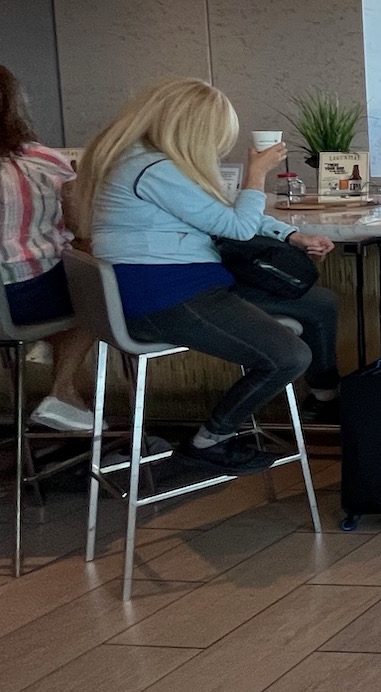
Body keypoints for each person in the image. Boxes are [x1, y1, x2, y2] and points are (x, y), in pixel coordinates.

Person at [73, 79, 339, 473]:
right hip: (166, 297)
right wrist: (256, 174)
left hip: (181, 286)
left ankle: (325, 397)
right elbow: (235, 226)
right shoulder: (151, 168)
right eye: (216, 135)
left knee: (318, 304)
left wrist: (291, 234)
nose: (218, 146)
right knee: (288, 356)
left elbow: (219, 210)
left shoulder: (146, 159)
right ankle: (208, 441)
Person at [0, 66, 95, 430]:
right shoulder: (43, 162)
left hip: (18, 302)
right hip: (22, 299)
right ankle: (63, 390)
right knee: (97, 283)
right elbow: (82, 226)